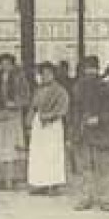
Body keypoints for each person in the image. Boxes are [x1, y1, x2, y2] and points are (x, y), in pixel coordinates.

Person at [69, 55, 109, 211]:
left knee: (102, 167)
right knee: (85, 168)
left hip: (100, 134)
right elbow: (73, 113)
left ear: (97, 69)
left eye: (92, 69)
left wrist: (99, 119)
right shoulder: (79, 88)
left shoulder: (105, 88)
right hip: (83, 133)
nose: (89, 72)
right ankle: (89, 198)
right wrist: (75, 129)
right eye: (87, 69)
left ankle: (104, 199)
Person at [27, 61, 69, 194]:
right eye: (43, 74)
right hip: (39, 124)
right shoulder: (38, 89)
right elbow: (33, 106)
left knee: (53, 154)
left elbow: (63, 108)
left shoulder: (60, 90)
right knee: (38, 154)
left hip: (53, 125)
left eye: (48, 74)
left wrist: (50, 115)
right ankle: (40, 183)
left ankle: (54, 184)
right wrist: (29, 120)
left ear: (53, 75)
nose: (45, 76)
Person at [0, 53, 30, 187]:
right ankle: (0, 178)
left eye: (8, 63)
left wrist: (15, 103)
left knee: (13, 148)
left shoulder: (20, 78)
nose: (5, 66)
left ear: (12, 65)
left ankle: (12, 179)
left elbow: (26, 97)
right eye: (2, 63)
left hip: (13, 117)